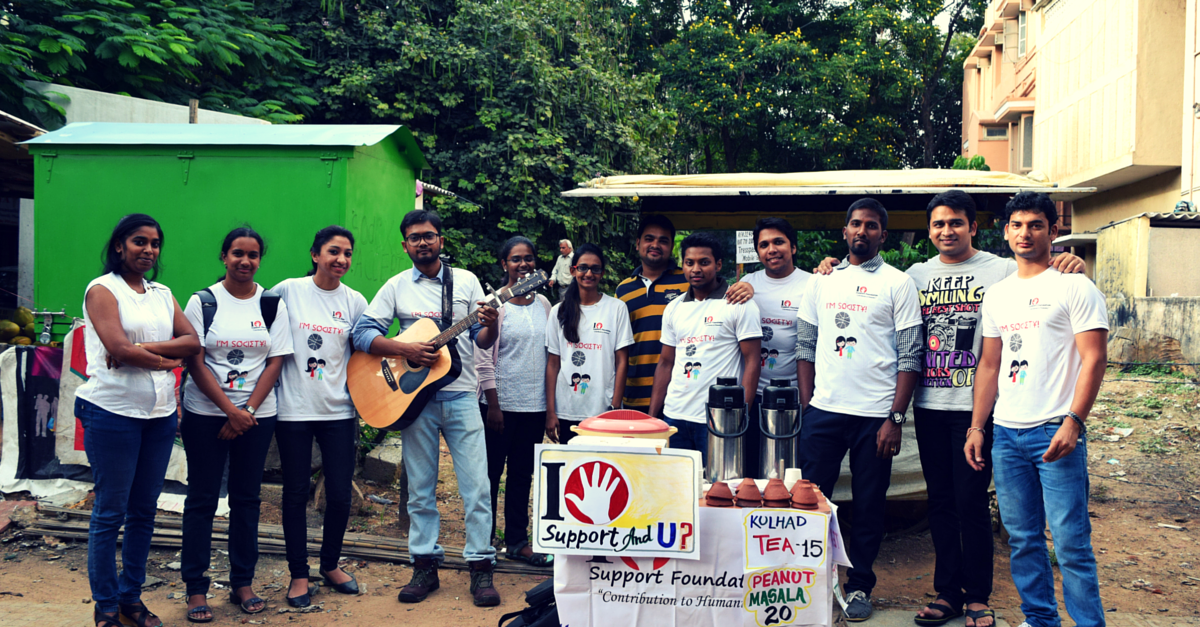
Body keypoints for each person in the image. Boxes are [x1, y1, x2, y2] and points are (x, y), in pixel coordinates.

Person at [903, 190, 1086, 627]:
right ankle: (947, 592)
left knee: (971, 502)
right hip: (931, 403)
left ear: (975, 227)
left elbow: (1041, 267)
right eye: (939, 224)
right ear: (930, 231)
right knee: (941, 503)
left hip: (980, 413)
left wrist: (1070, 260)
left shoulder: (1001, 268)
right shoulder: (913, 275)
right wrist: (828, 267)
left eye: (956, 223)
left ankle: (977, 596)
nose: (947, 231)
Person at [966, 192, 1108, 627]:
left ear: (1053, 230)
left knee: (1070, 545)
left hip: (1054, 431)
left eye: (1035, 225)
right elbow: (990, 364)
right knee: (1024, 540)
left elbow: (1095, 358)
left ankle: (1089, 623)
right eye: (1017, 225)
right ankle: (1040, 619)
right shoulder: (998, 294)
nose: (1025, 233)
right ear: (1006, 231)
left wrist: (1074, 421)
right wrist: (977, 427)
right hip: (1006, 435)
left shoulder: (1075, 286)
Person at [351, 210, 501, 607]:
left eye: (429, 236)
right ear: (405, 245)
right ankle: (424, 566)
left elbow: (483, 341)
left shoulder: (466, 281)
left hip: (462, 395)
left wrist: (493, 322)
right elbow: (362, 333)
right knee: (419, 489)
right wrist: (405, 348)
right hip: (413, 399)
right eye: (414, 237)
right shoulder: (396, 286)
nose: (422, 242)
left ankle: (481, 567)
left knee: (478, 487)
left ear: (441, 240)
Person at [796, 198, 923, 622]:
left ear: (883, 235)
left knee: (869, 505)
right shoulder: (822, 280)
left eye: (871, 226)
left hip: (875, 418)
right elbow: (805, 347)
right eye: (855, 224)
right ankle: (807, 583)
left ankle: (860, 587)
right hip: (823, 414)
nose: (862, 231)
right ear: (844, 231)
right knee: (811, 502)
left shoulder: (898, 283)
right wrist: (808, 405)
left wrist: (895, 418)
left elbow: (910, 356)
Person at [77, 214, 201, 627]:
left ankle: (132, 598)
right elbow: (116, 347)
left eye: (154, 243)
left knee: (144, 511)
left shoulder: (162, 293)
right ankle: (106, 606)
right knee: (110, 511)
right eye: (139, 242)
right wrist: (165, 360)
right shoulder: (102, 290)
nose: (148, 250)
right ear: (119, 246)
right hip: (112, 412)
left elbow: (192, 342)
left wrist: (145, 349)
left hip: (159, 415)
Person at [181, 226, 294, 622]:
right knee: (202, 499)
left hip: (256, 416)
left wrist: (246, 410)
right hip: (205, 415)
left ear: (260, 259)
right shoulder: (203, 302)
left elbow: (276, 360)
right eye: (237, 253)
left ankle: (242, 582)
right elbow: (193, 359)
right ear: (223, 257)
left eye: (253, 254)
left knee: (247, 499)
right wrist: (229, 410)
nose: (245, 261)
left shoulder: (270, 304)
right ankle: (196, 589)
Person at [271, 226, 368, 607]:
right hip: (293, 410)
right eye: (333, 252)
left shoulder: (355, 301)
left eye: (347, 253)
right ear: (315, 254)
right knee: (295, 494)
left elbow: (365, 352)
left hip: (339, 412)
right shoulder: (287, 291)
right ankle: (298, 574)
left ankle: (330, 564)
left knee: (340, 495)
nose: (341, 259)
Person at [616, 215, 754, 411]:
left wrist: (748, 286)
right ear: (638, 243)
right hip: (634, 393)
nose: (655, 245)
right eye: (649, 239)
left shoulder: (690, 279)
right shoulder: (623, 289)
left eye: (663, 241)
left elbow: (720, 285)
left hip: (682, 396)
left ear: (671, 247)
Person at [475, 236, 554, 567]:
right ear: (504, 264)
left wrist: (549, 409)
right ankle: (484, 542)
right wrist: (493, 403)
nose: (523, 264)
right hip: (499, 407)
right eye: (516, 259)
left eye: (529, 258)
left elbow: (550, 355)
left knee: (523, 474)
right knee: (490, 475)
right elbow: (482, 355)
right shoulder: (494, 304)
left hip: (533, 407)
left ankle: (518, 541)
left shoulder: (545, 305)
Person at [649, 232, 761, 463]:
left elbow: (752, 362)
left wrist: (742, 414)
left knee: (719, 491)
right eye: (689, 263)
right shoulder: (674, 308)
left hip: (719, 418)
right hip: (674, 417)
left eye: (704, 262)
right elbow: (666, 363)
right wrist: (653, 416)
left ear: (718, 264)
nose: (696, 269)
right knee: (676, 488)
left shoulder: (739, 304)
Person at [740, 217, 812, 478]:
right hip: (754, 396)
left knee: (788, 474)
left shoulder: (813, 284)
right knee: (750, 471)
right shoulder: (748, 283)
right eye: (764, 244)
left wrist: (807, 401)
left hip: (796, 397)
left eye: (778, 242)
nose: (771, 249)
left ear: (793, 247)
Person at [546, 244, 634, 447]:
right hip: (567, 408)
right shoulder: (558, 311)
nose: (588, 273)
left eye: (595, 269)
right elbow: (553, 364)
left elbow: (622, 361)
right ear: (572, 270)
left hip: (604, 409)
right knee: (574, 471)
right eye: (583, 267)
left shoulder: (616, 308)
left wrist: (615, 407)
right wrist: (551, 412)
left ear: (602, 273)